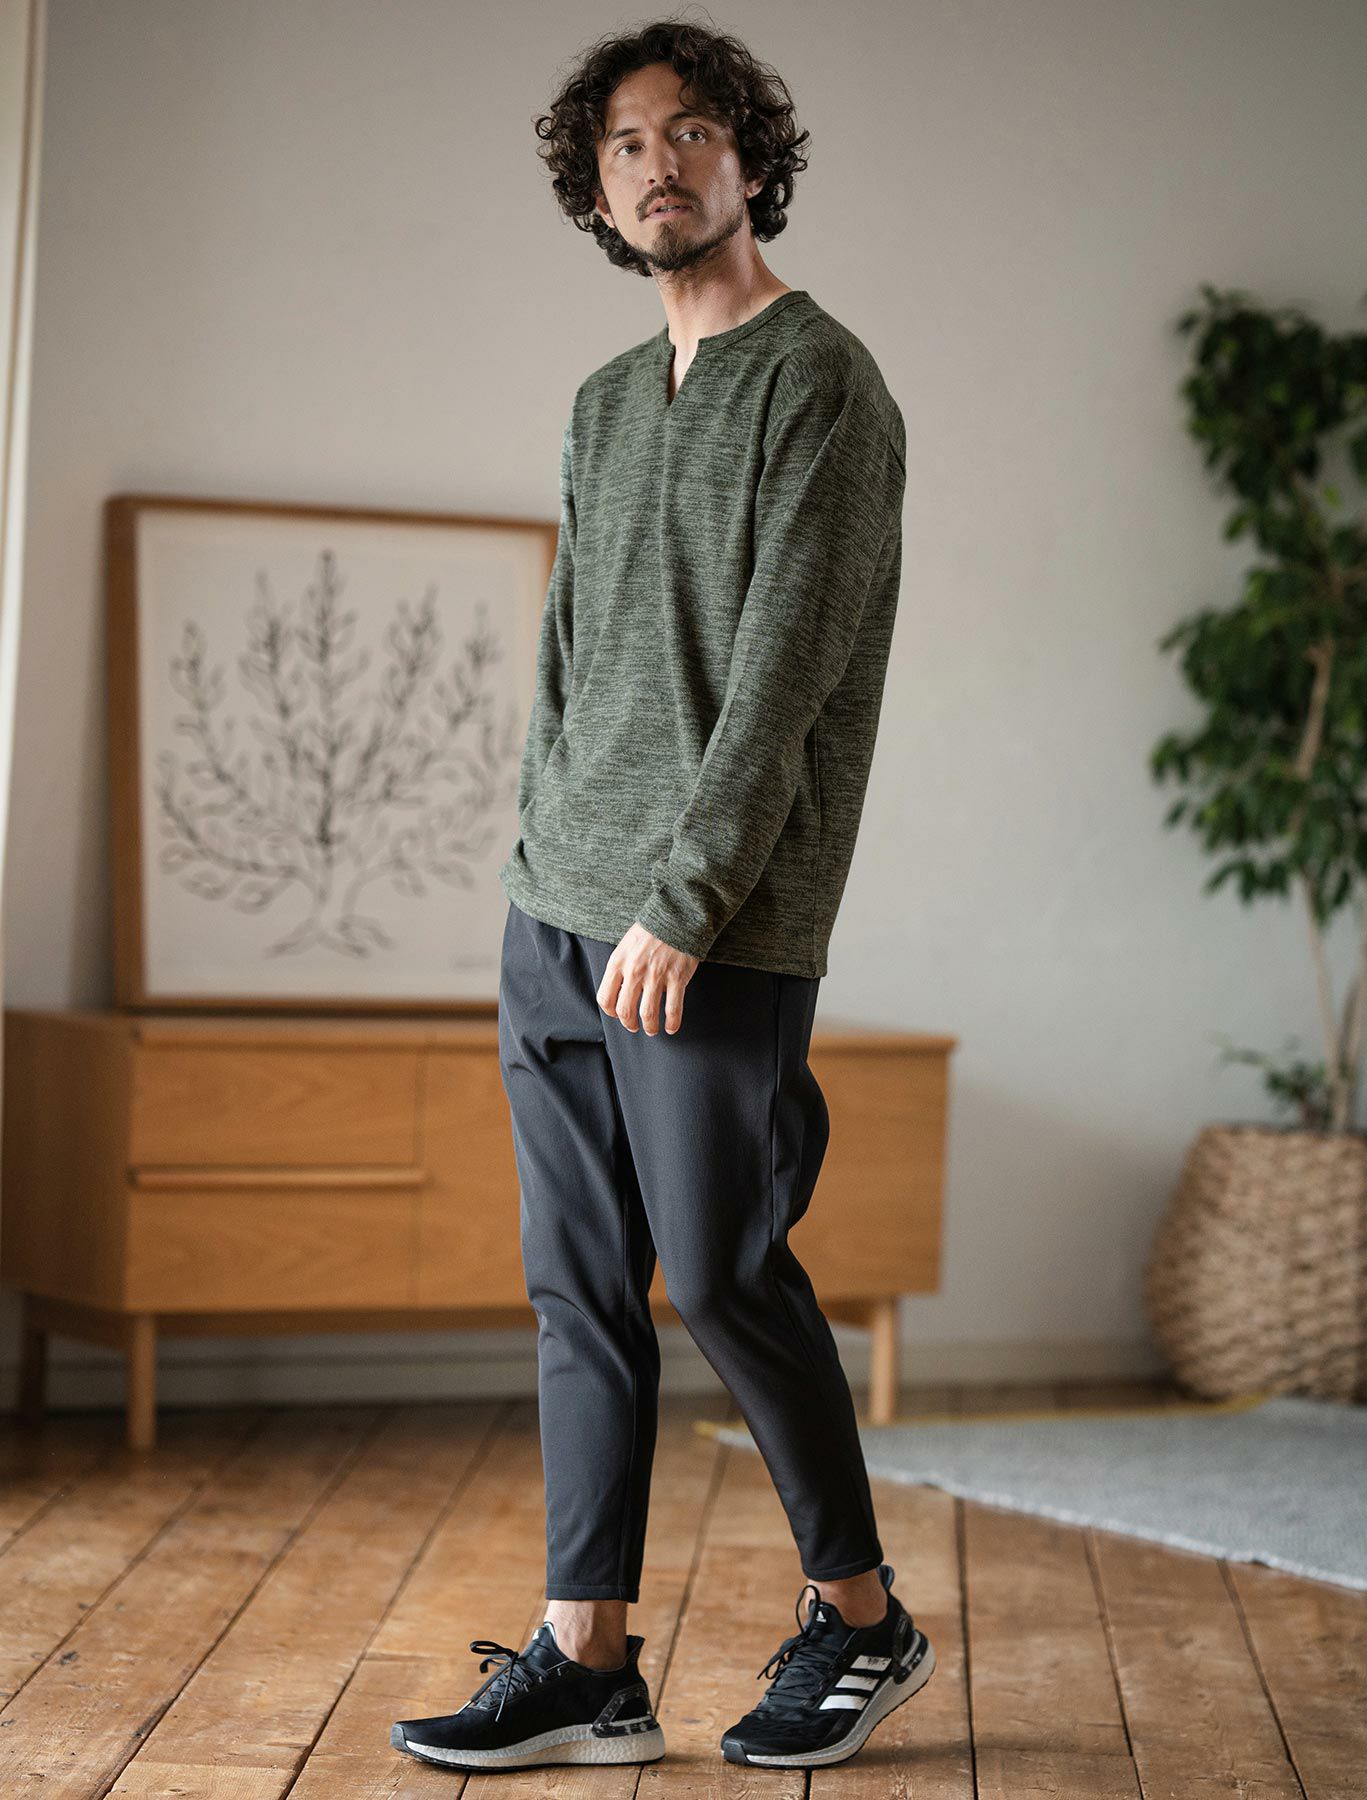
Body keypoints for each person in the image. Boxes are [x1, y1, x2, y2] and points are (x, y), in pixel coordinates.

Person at [391, 16, 932, 1775]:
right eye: (625, 144)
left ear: (751, 159)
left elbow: (782, 680)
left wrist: (683, 902)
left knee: (719, 1268)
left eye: (692, 131)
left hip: (713, 923)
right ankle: (588, 1657)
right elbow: (567, 660)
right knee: (578, 1289)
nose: (658, 165)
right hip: (555, 911)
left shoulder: (824, 385)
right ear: (597, 186)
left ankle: (864, 1619)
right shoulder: (607, 403)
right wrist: (540, 861)